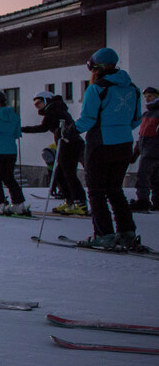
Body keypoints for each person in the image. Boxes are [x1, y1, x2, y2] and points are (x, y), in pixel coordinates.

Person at [74, 48, 143, 249]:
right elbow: (136, 119)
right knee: (115, 189)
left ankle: (104, 234)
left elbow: (88, 119)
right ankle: (127, 232)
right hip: (124, 144)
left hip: (100, 145)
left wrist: (71, 130)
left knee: (96, 191)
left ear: (95, 68)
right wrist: (119, 129)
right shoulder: (133, 88)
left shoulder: (97, 89)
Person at [21, 90, 87, 215]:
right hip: (69, 144)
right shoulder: (57, 109)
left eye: (39, 103)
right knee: (61, 174)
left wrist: (23, 130)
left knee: (67, 174)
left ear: (47, 100)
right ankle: (71, 201)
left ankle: (79, 203)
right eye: (35, 104)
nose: (38, 106)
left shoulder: (53, 110)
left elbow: (43, 127)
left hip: (68, 144)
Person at [132, 86, 159, 213]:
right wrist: (136, 151)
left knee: (143, 176)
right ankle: (156, 201)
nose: (147, 99)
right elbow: (142, 134)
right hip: (147, 149)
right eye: (146, 97)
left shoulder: (157, 113)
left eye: (150, 96)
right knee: (154, 177)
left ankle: (143, 201)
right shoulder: (147, 114)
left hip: (152, 150)